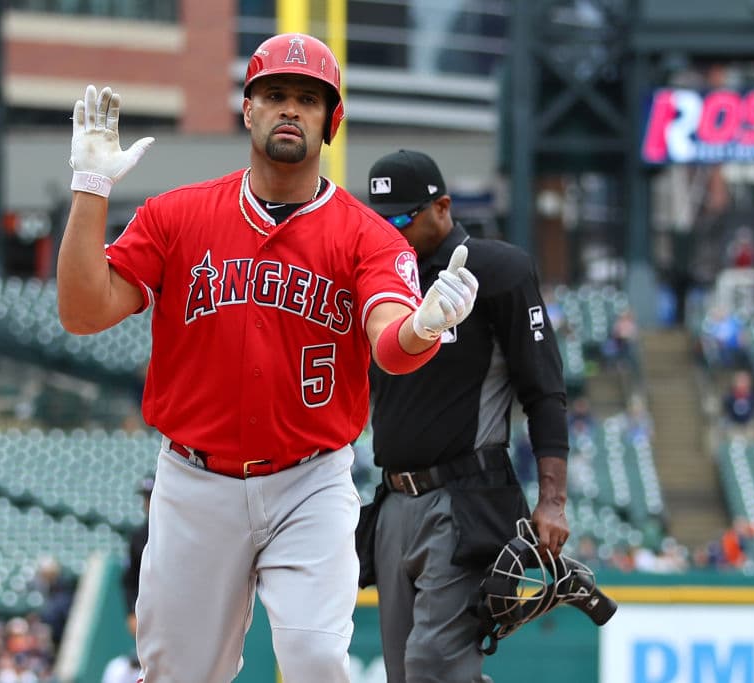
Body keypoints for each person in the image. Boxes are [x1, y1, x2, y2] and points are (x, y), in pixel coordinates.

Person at [55, 33, 479, 683]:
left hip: (308, 480)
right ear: (248, 111)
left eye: (308, 100)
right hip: (194, 481)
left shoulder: (365, 234)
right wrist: (89, 188)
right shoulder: (178, 215)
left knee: (314, 659)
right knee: (175, 674)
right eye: (275, 94)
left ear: (330, 121)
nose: (291, 108)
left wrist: (423, 325)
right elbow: (83, 312)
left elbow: (391, 343)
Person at [363, 149, 570, 683]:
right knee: (403, 673)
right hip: (392, 501)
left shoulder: (497, 269)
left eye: (402, 218)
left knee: (436, 666)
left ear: (442, 207)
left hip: (464, 498)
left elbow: (544, 390)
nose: (391, 230)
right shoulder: (376, 277)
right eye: (380, 219)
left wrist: (552, 501)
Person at [121, 477, 153, 636]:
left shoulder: (179, 531)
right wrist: (131, 611)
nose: (147, 502)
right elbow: (130, 580)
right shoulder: (138, 537)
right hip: (148, 609)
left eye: (151, 496)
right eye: (146, 497)